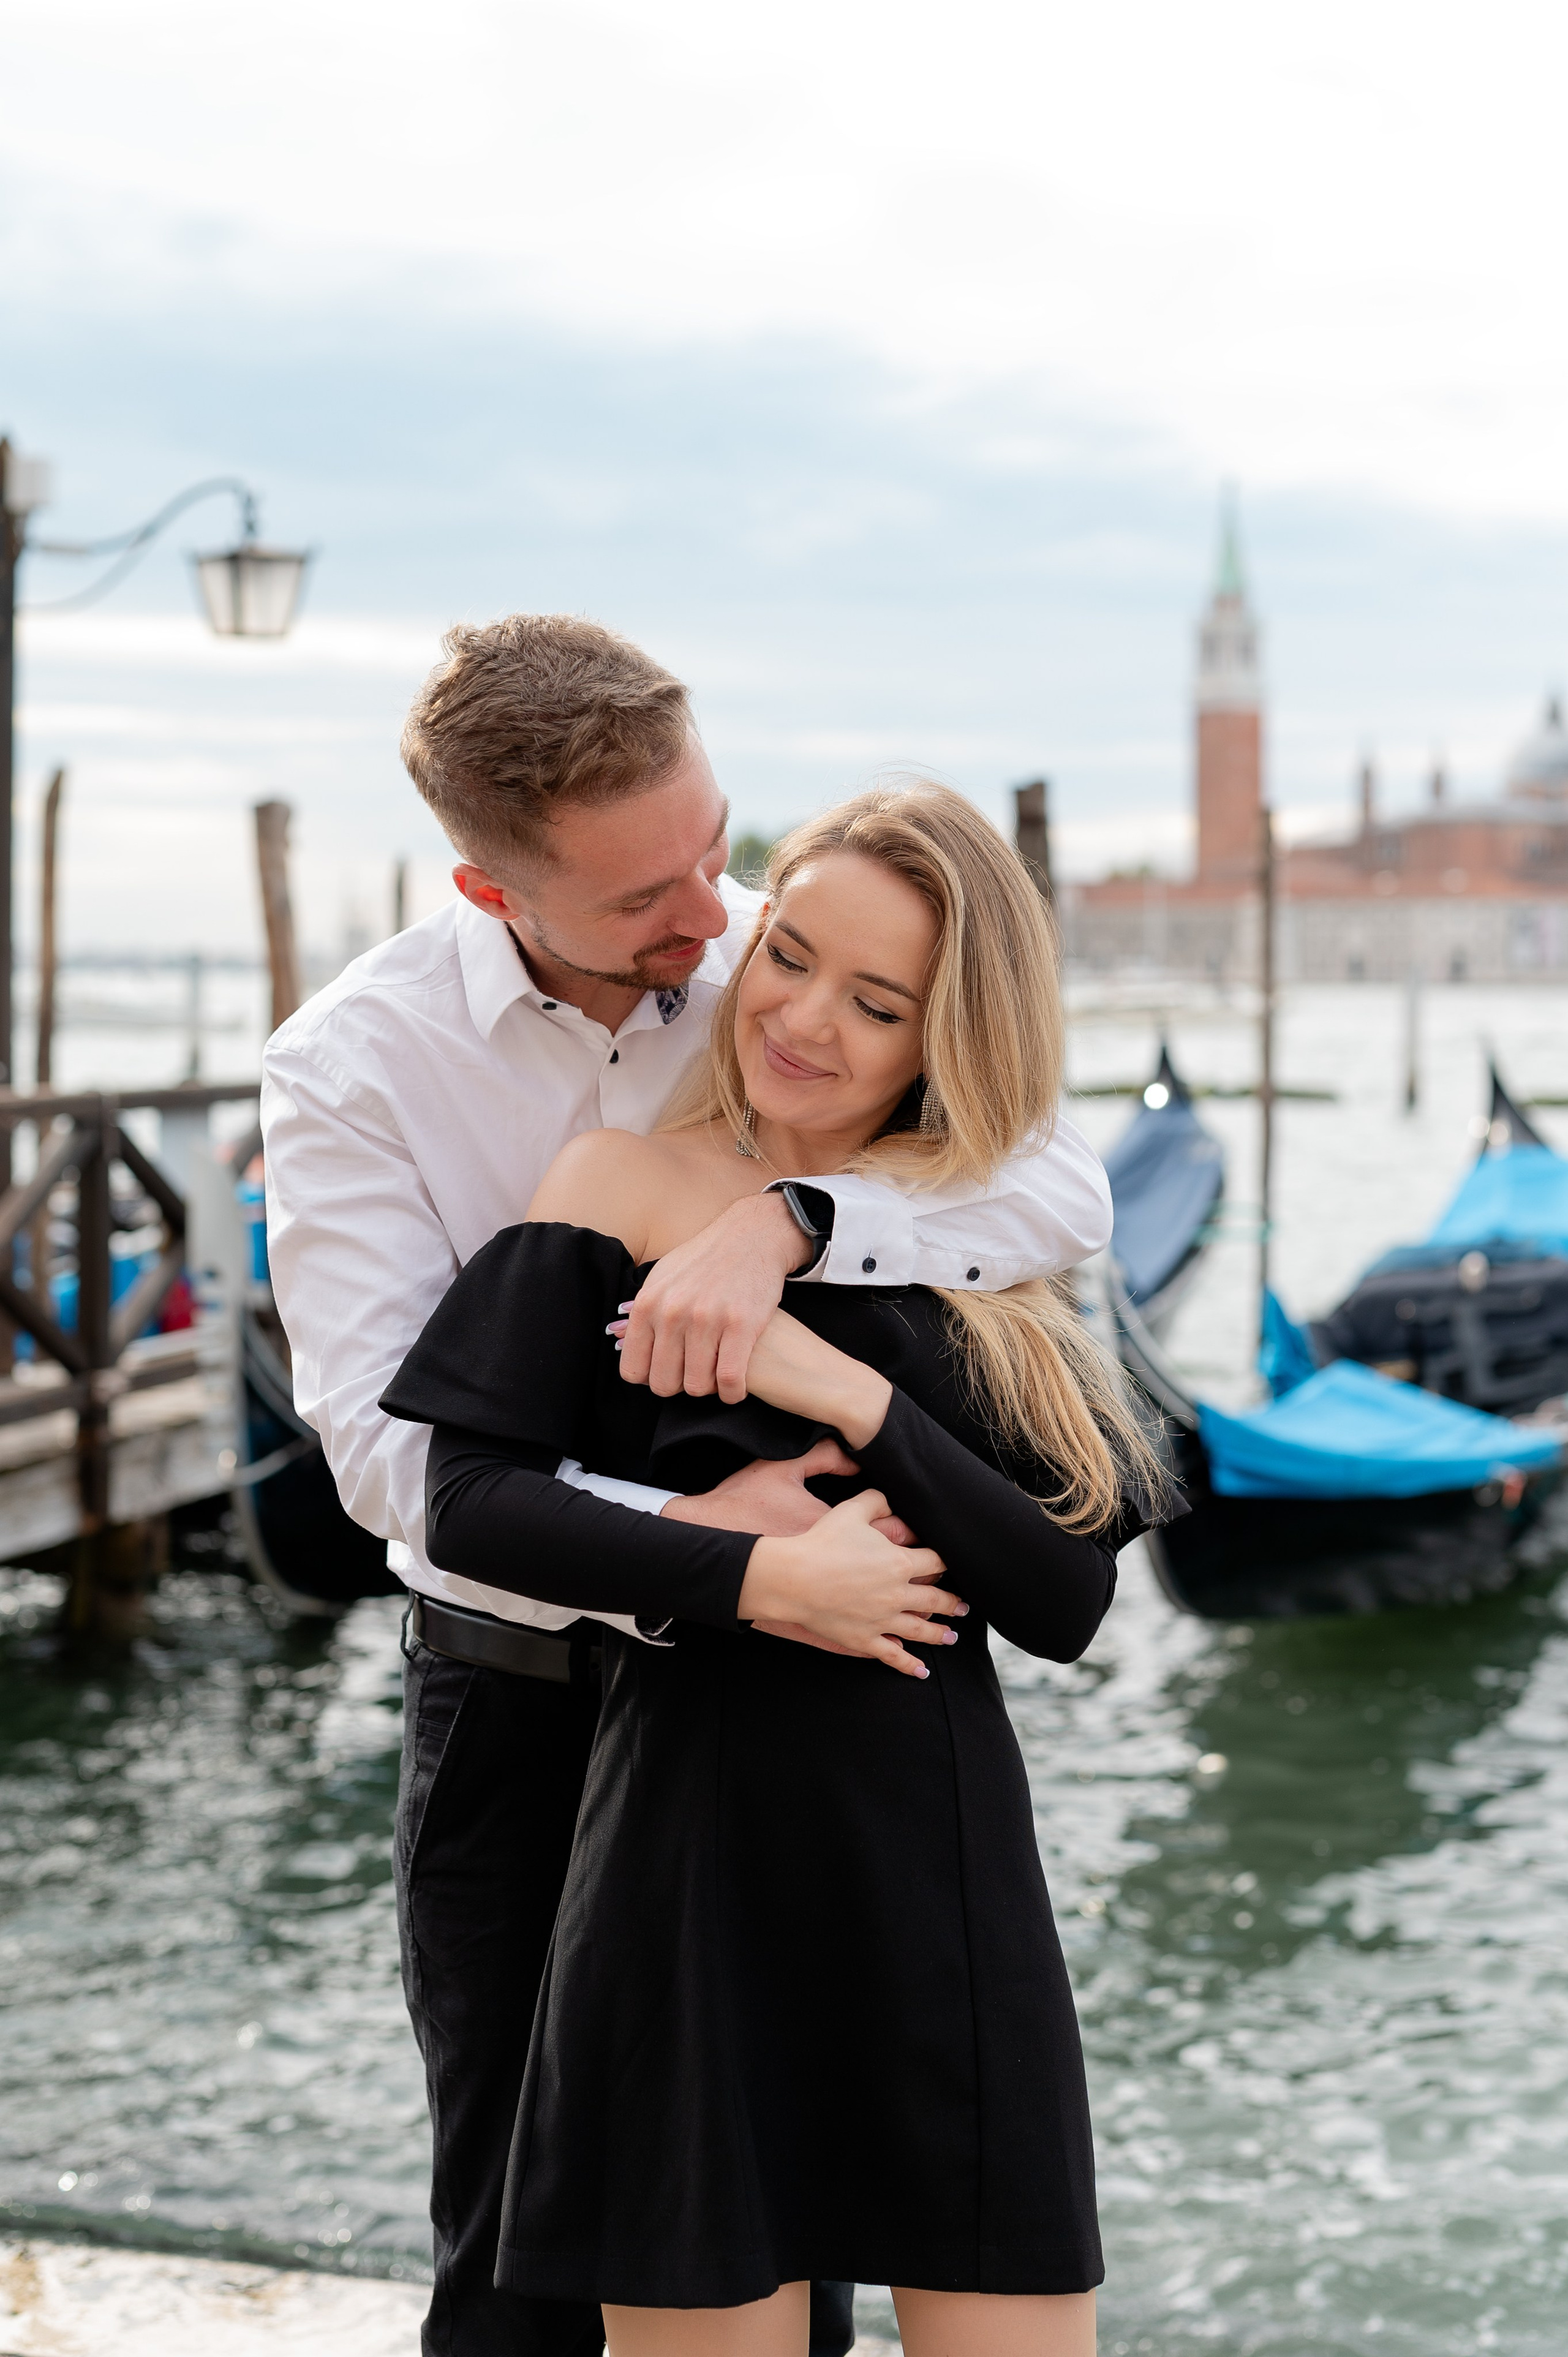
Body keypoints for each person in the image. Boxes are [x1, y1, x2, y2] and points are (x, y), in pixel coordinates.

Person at [260, 618, 1115, 2357]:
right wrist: (706, 1555)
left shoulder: (780, 970)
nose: (711, 926)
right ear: (496, 891)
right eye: (650, 893)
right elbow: (398, 1472)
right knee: (517, 2270)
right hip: (526, 1705)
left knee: (820, 2242)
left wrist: (788, 1227)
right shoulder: (354, 1068)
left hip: (845, 1750)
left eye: (714, 846)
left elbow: (1046, 1175)